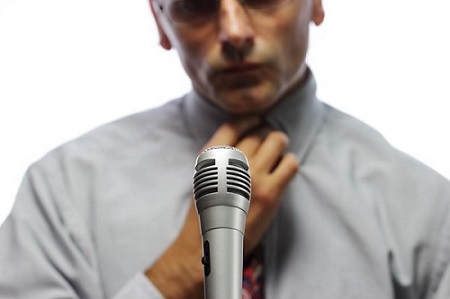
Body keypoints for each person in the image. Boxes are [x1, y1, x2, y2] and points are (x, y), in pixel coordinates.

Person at [1, 0, 449, 298]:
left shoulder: (426, 212)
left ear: (315, 2)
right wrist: (173, 279)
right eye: (195, 3)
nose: (234, 31)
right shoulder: (63, 195)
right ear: (160, 21)